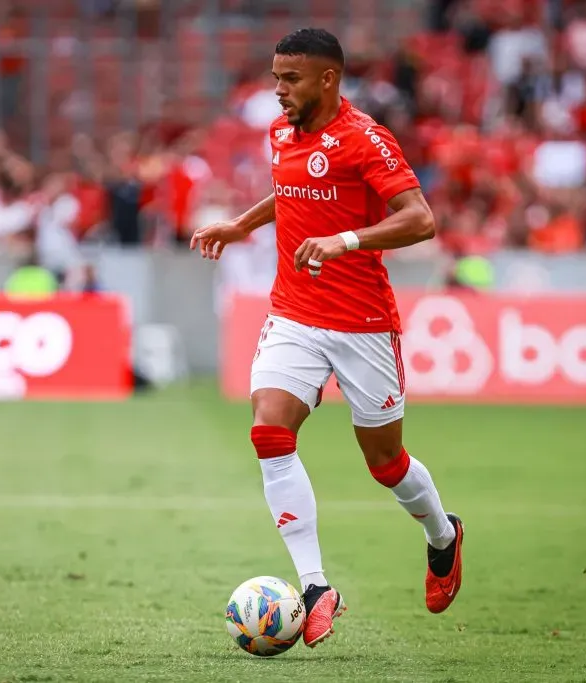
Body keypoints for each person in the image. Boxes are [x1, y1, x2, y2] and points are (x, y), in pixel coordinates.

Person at [191, 28, 464, 649]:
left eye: (290, 79)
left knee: (386, 465)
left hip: (363, 323)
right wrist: (240, 224)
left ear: (327, 79)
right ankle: (315, 588)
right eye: (275, 77)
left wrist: (347, 240)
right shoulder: (280, 132)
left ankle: (444, 535)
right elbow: (292, 194)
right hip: (294, 312)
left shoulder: (365, 139)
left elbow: (420, 218)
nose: (278, 90)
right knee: (269, 430)